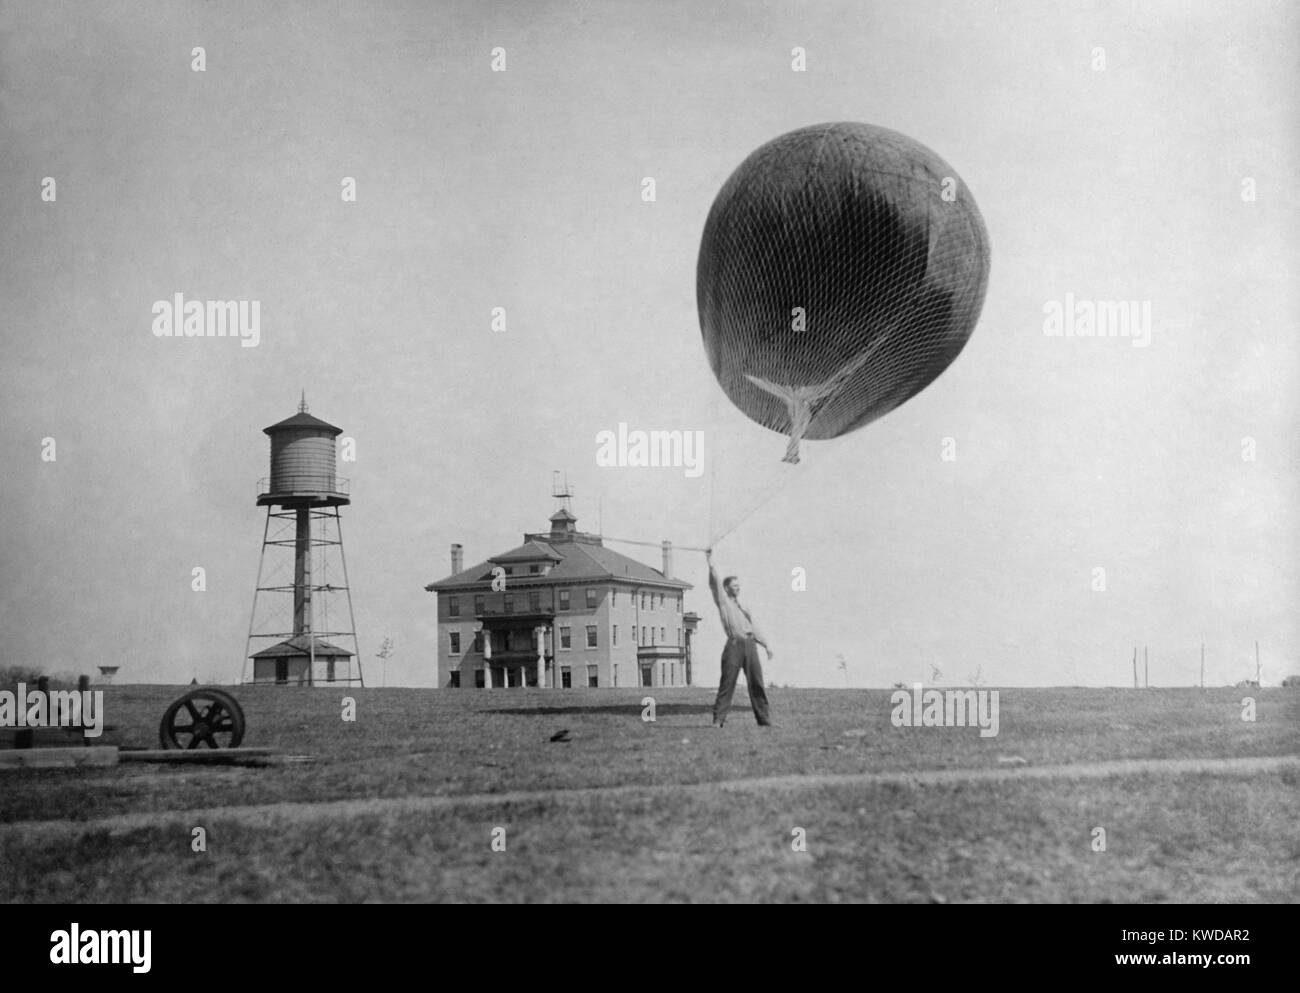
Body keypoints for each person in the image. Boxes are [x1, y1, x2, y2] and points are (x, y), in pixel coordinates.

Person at [705, 548, 776, 728]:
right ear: (727, 588)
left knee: (757, 683)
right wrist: (710, 563)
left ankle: (765, 720)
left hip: (750, 646)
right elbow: (714, 584)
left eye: (739, 585)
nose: (738, 588)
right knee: (727, 683)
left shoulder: (744, 607)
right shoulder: (723, 602)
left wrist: (766, 645)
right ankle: (718, 720)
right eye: (734, 585)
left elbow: (753, 628)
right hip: (734, 646)